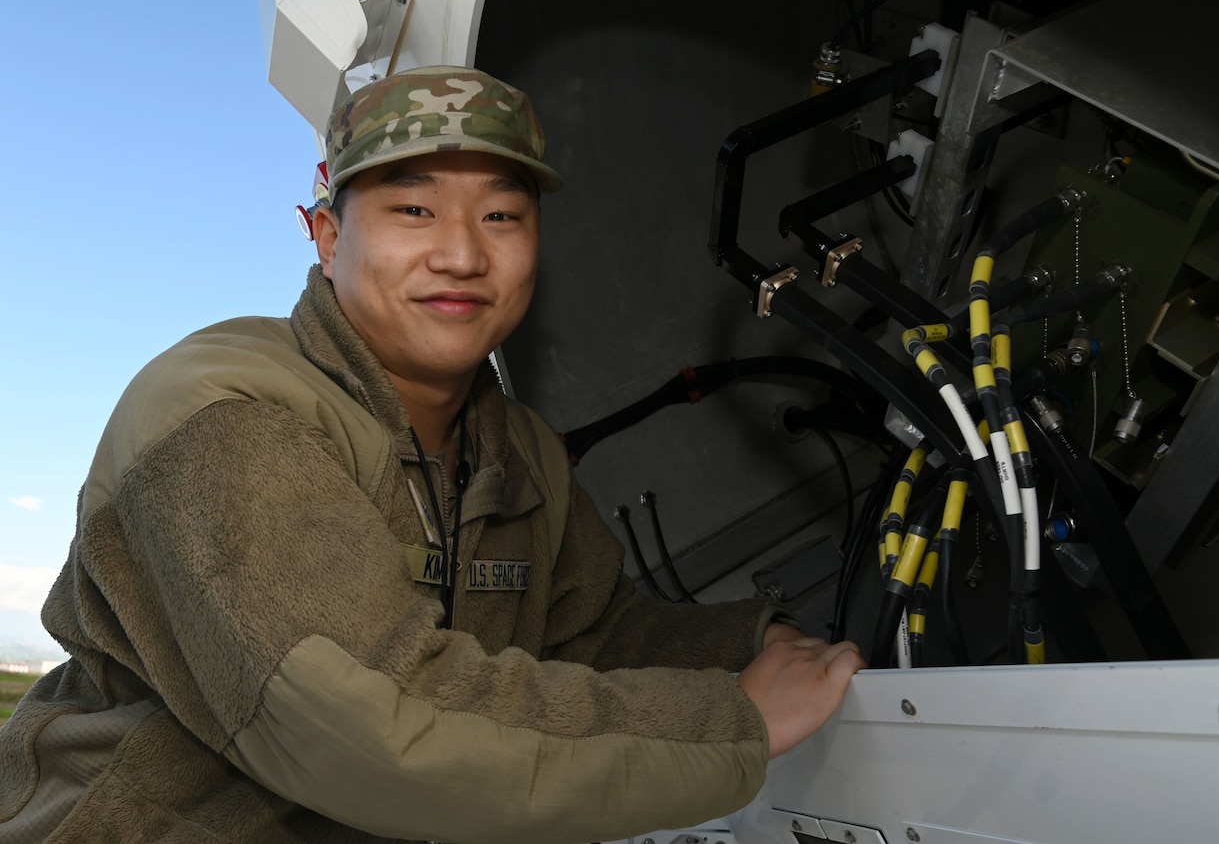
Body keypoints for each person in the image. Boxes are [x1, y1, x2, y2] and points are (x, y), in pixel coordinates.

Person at [0, 66, 863, 843]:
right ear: (328, 236)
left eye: (501, 214)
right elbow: (370, 721)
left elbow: (591, 637)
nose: (462, 253)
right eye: (412, 209)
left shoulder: (519, 450)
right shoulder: (222, 410)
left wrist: (757, 639)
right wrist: (732, 717)